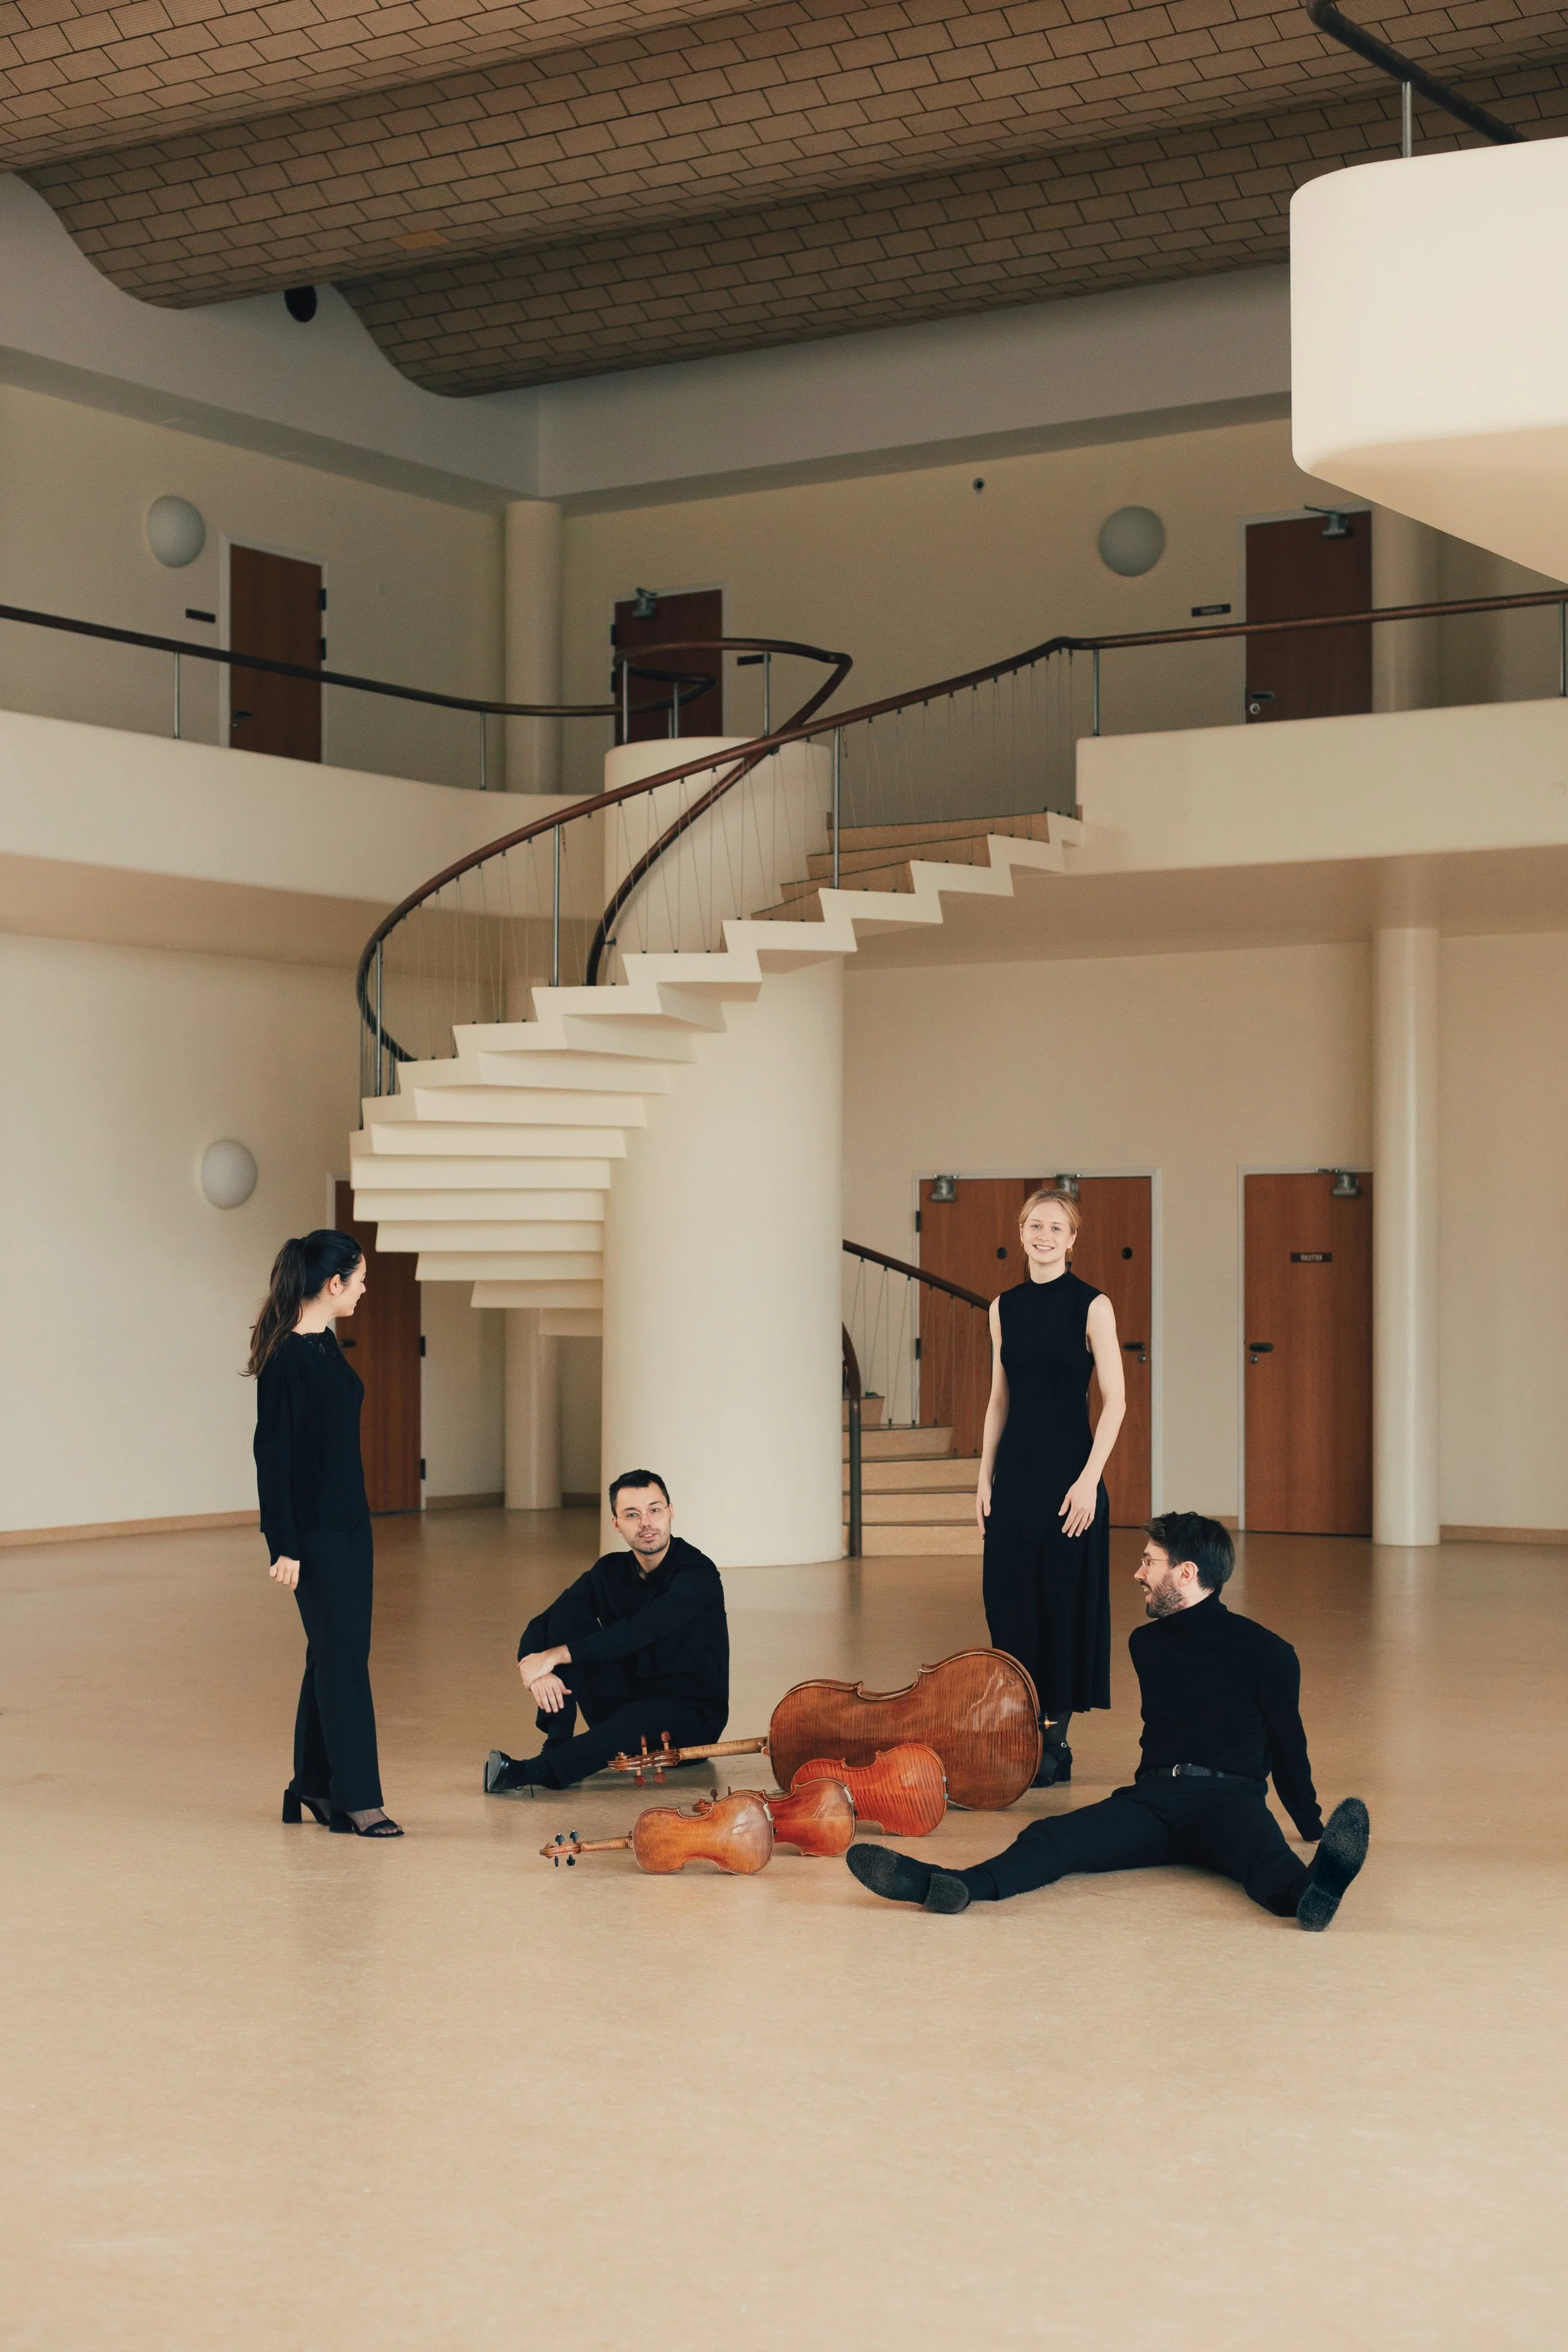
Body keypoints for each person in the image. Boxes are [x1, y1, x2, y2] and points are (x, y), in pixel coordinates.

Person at [846, 1511, 1370, 1928]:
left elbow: (1287, 1744)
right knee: (1052, 1837)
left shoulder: (1270, 1653)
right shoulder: (1147, 1643)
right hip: (1154, 1802)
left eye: (1150, 1561)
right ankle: (952, 1885)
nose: (1138, 1573)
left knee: (1268, 1865)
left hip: (1231, 1803)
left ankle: (1314, 1893)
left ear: (1186, 1573)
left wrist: (1311, 1825)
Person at [251, 1230, 401, 1838]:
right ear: (333, 1283)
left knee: (334, 1654)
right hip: (311, 1536)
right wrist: (282, 1544)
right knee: (343, 1662)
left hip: (349, 1526)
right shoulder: (287, 1359)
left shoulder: (326, 1344)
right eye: (359, 1280)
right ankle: (357, 1798)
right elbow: (272, 1458)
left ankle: (311, 1786)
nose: (365, 1289)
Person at [976, 1186, 1125, 1786]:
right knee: (1009, 1602)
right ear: (1021, 1232)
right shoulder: (1001, 1307)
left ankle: (1053, 1744)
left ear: (1072, 1239)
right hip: (1014, 1476)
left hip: (1070, 1477)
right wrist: (982, 1477)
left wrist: (1091, 1480)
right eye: (1034, 1225)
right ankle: (1023, 1726)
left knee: (1062, 1606)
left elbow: (1115, 1402)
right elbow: (997, 1400)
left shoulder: (1093, 1306)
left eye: (1056, 1228)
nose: (1044, 1235)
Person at [485, 1470, 728, 1794]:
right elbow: (545, 1622)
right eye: (632, 1514)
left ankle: (532, 1771)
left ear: (671, 1511)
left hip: (689, 1716)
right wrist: (534, 1668)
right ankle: (557, 1737)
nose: (646, 1523)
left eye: (654, 1510)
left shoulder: (697, 1573)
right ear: (617, 1523)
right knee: (569, 1612)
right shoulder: (610, 1570)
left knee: (634, 1719)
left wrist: (553, 1657)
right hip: (626, 1700)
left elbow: (638, 1632)